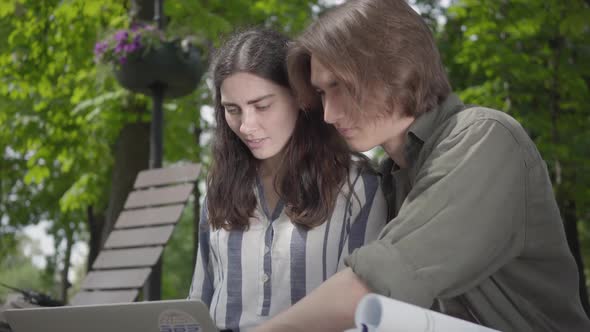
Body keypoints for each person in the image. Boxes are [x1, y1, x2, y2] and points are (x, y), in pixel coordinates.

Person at [254, 1, 590, 331]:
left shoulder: (484, 137)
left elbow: (379, 281)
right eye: (321, 93)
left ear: (396, 67)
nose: (329, 113)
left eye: (339, 86)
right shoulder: (388, 180)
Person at [187, 27, 388, 331]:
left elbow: (363, 311)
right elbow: (198, 306)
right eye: (233, 110)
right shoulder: (217, 192)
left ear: (300, 98)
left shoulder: (358, 188)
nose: (246, 126)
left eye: (262, 106)